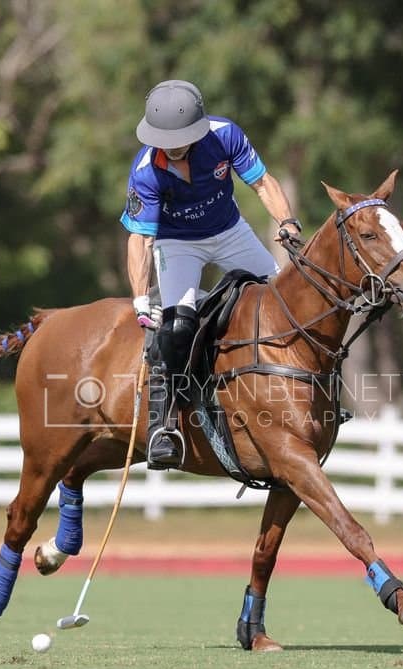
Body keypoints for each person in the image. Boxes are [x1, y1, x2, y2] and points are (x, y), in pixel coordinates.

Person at [122, 79, 301, 469]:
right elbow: (141, 240)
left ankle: (302, 395)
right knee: (177, 327)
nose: (172, 146)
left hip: (230, 232)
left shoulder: (225, 136)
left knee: (284, 306)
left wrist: (287, 221)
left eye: (180, 138)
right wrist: (140, 296)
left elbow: (262, 182)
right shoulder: (145, 172)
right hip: (177, 243)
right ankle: (164, 424)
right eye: (164, 139)